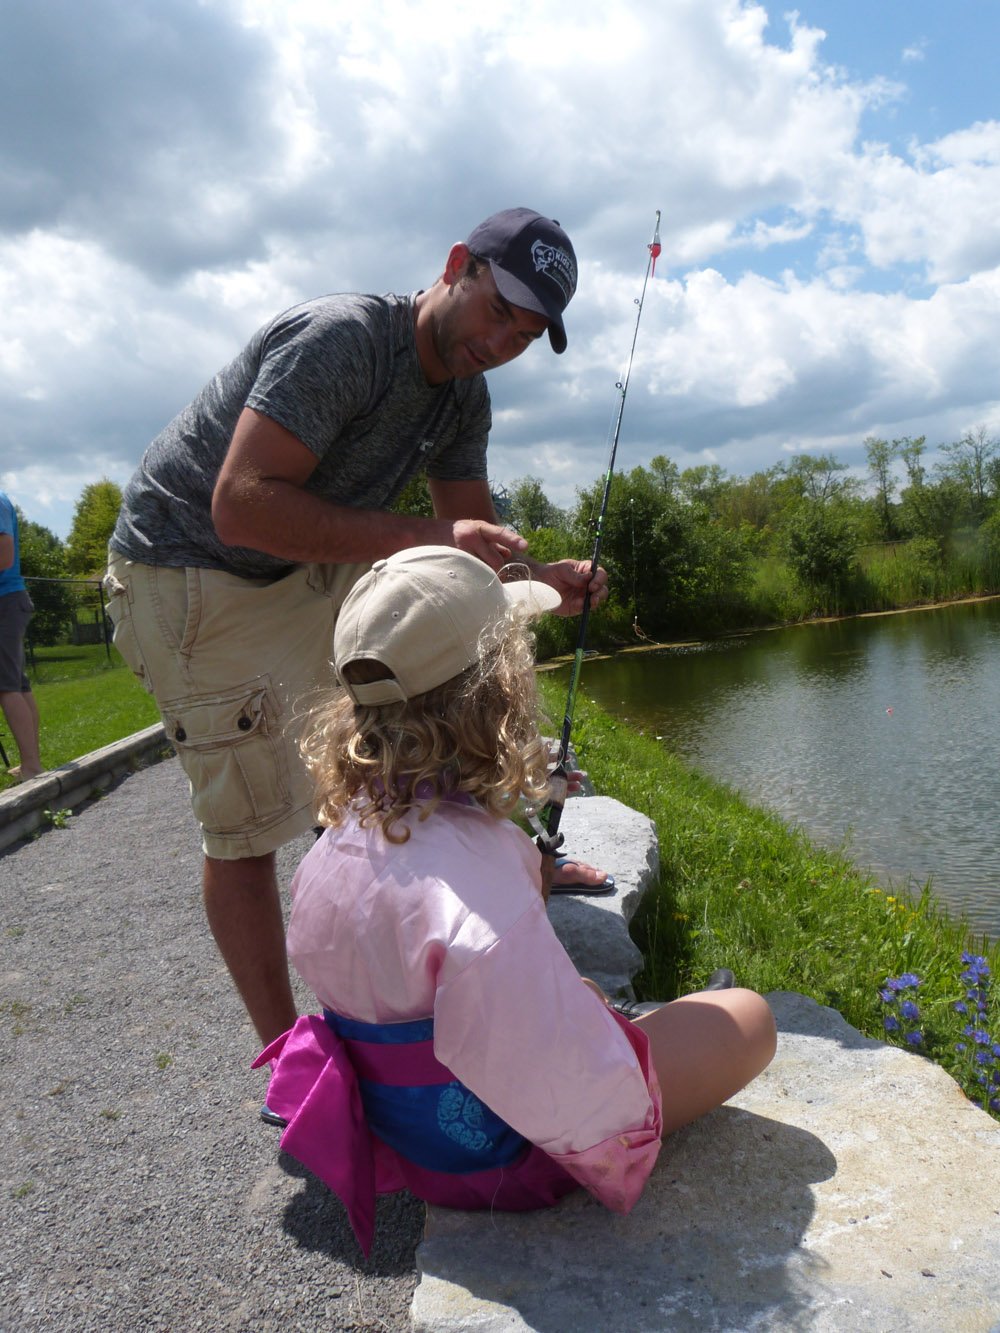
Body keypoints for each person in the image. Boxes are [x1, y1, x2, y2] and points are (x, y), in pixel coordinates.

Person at [105, 208, 611, 1051]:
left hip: (295, 554)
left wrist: (541, 584)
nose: (501, 343)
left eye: (524, 335)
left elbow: (465, 557)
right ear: (458, 265)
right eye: (498, 314)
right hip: (189, 566)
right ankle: (294, 1062)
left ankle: (490, 891)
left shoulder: (463, 398)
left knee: (443, 668)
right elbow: (240, 505)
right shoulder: (344, 342)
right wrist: (433, 540)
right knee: (249, 821)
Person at [253, 545, 777, 1255]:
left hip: (409, 1138)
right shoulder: (478, 889)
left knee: (606, 1000)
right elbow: (581, 1098)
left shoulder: (333, 847)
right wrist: (618, 1059)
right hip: (499, 1157)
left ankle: (629, 1016)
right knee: (748, 1016)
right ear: (498, 692)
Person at [0, 492, 43, 781]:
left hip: (5, 600)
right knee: (17, 683)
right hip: (10, 600)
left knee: (5, 687)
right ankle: (32, 761)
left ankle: (31, 767)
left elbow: (5, 553)